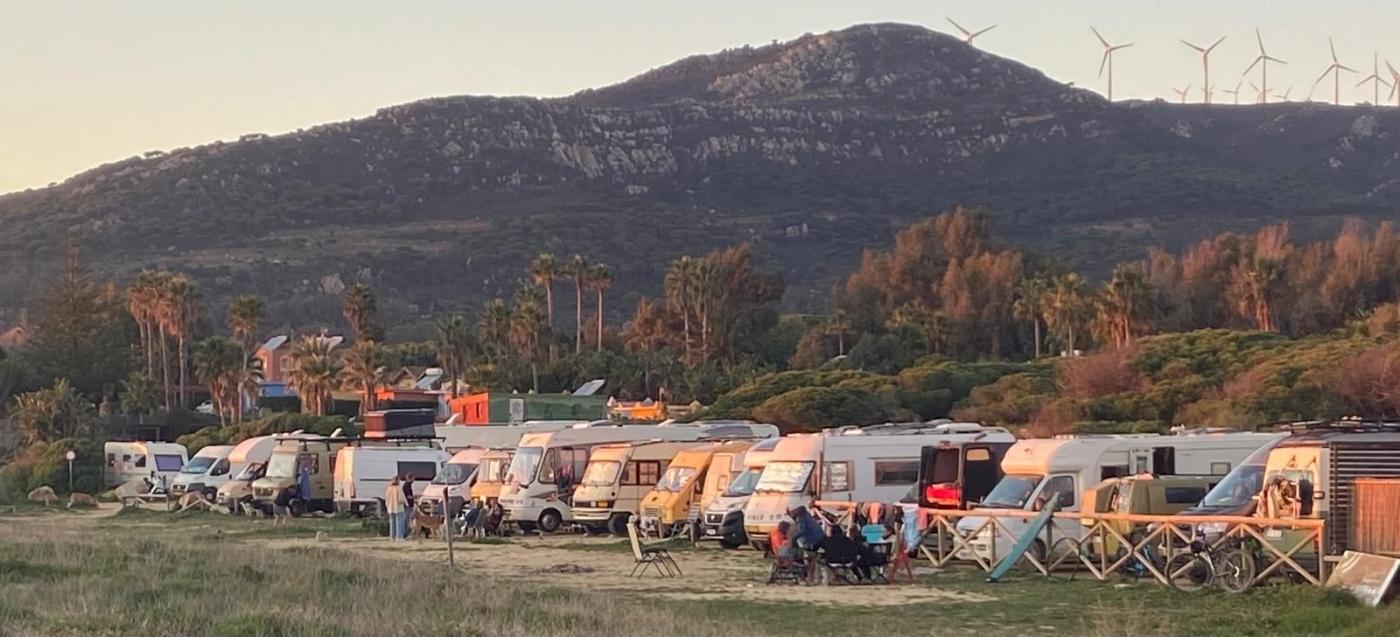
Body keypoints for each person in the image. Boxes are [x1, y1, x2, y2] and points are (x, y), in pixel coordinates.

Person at [384, 476, 405, 540]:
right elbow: (401, 499)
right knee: (399, 522)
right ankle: (399, 536)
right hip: (398, 507)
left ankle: (392, 536)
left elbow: (386, 498)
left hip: (390, 507)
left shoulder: (388, 489)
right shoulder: (398, 488)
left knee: (392, 522)